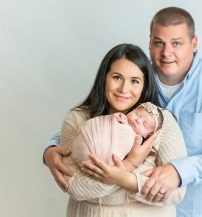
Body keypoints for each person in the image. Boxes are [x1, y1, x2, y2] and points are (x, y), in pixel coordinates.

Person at [44, 6, 202, 217]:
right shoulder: (137, 77)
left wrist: (177, 171)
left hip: (200, 208)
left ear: (194, 44)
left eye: (176, 43)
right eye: (159, 43)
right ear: (149, 42)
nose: (167, 53)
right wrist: (51, 149)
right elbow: (89, 128)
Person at [46, 43, 187, 217]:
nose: (124, 89)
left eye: (134, 81)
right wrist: (130, 166)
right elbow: (73, 187)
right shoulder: (78, 119)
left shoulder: (162, 123)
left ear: (145, 85)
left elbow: (176, 193)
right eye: (117, 77)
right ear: (104, 78)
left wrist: (124, 179)